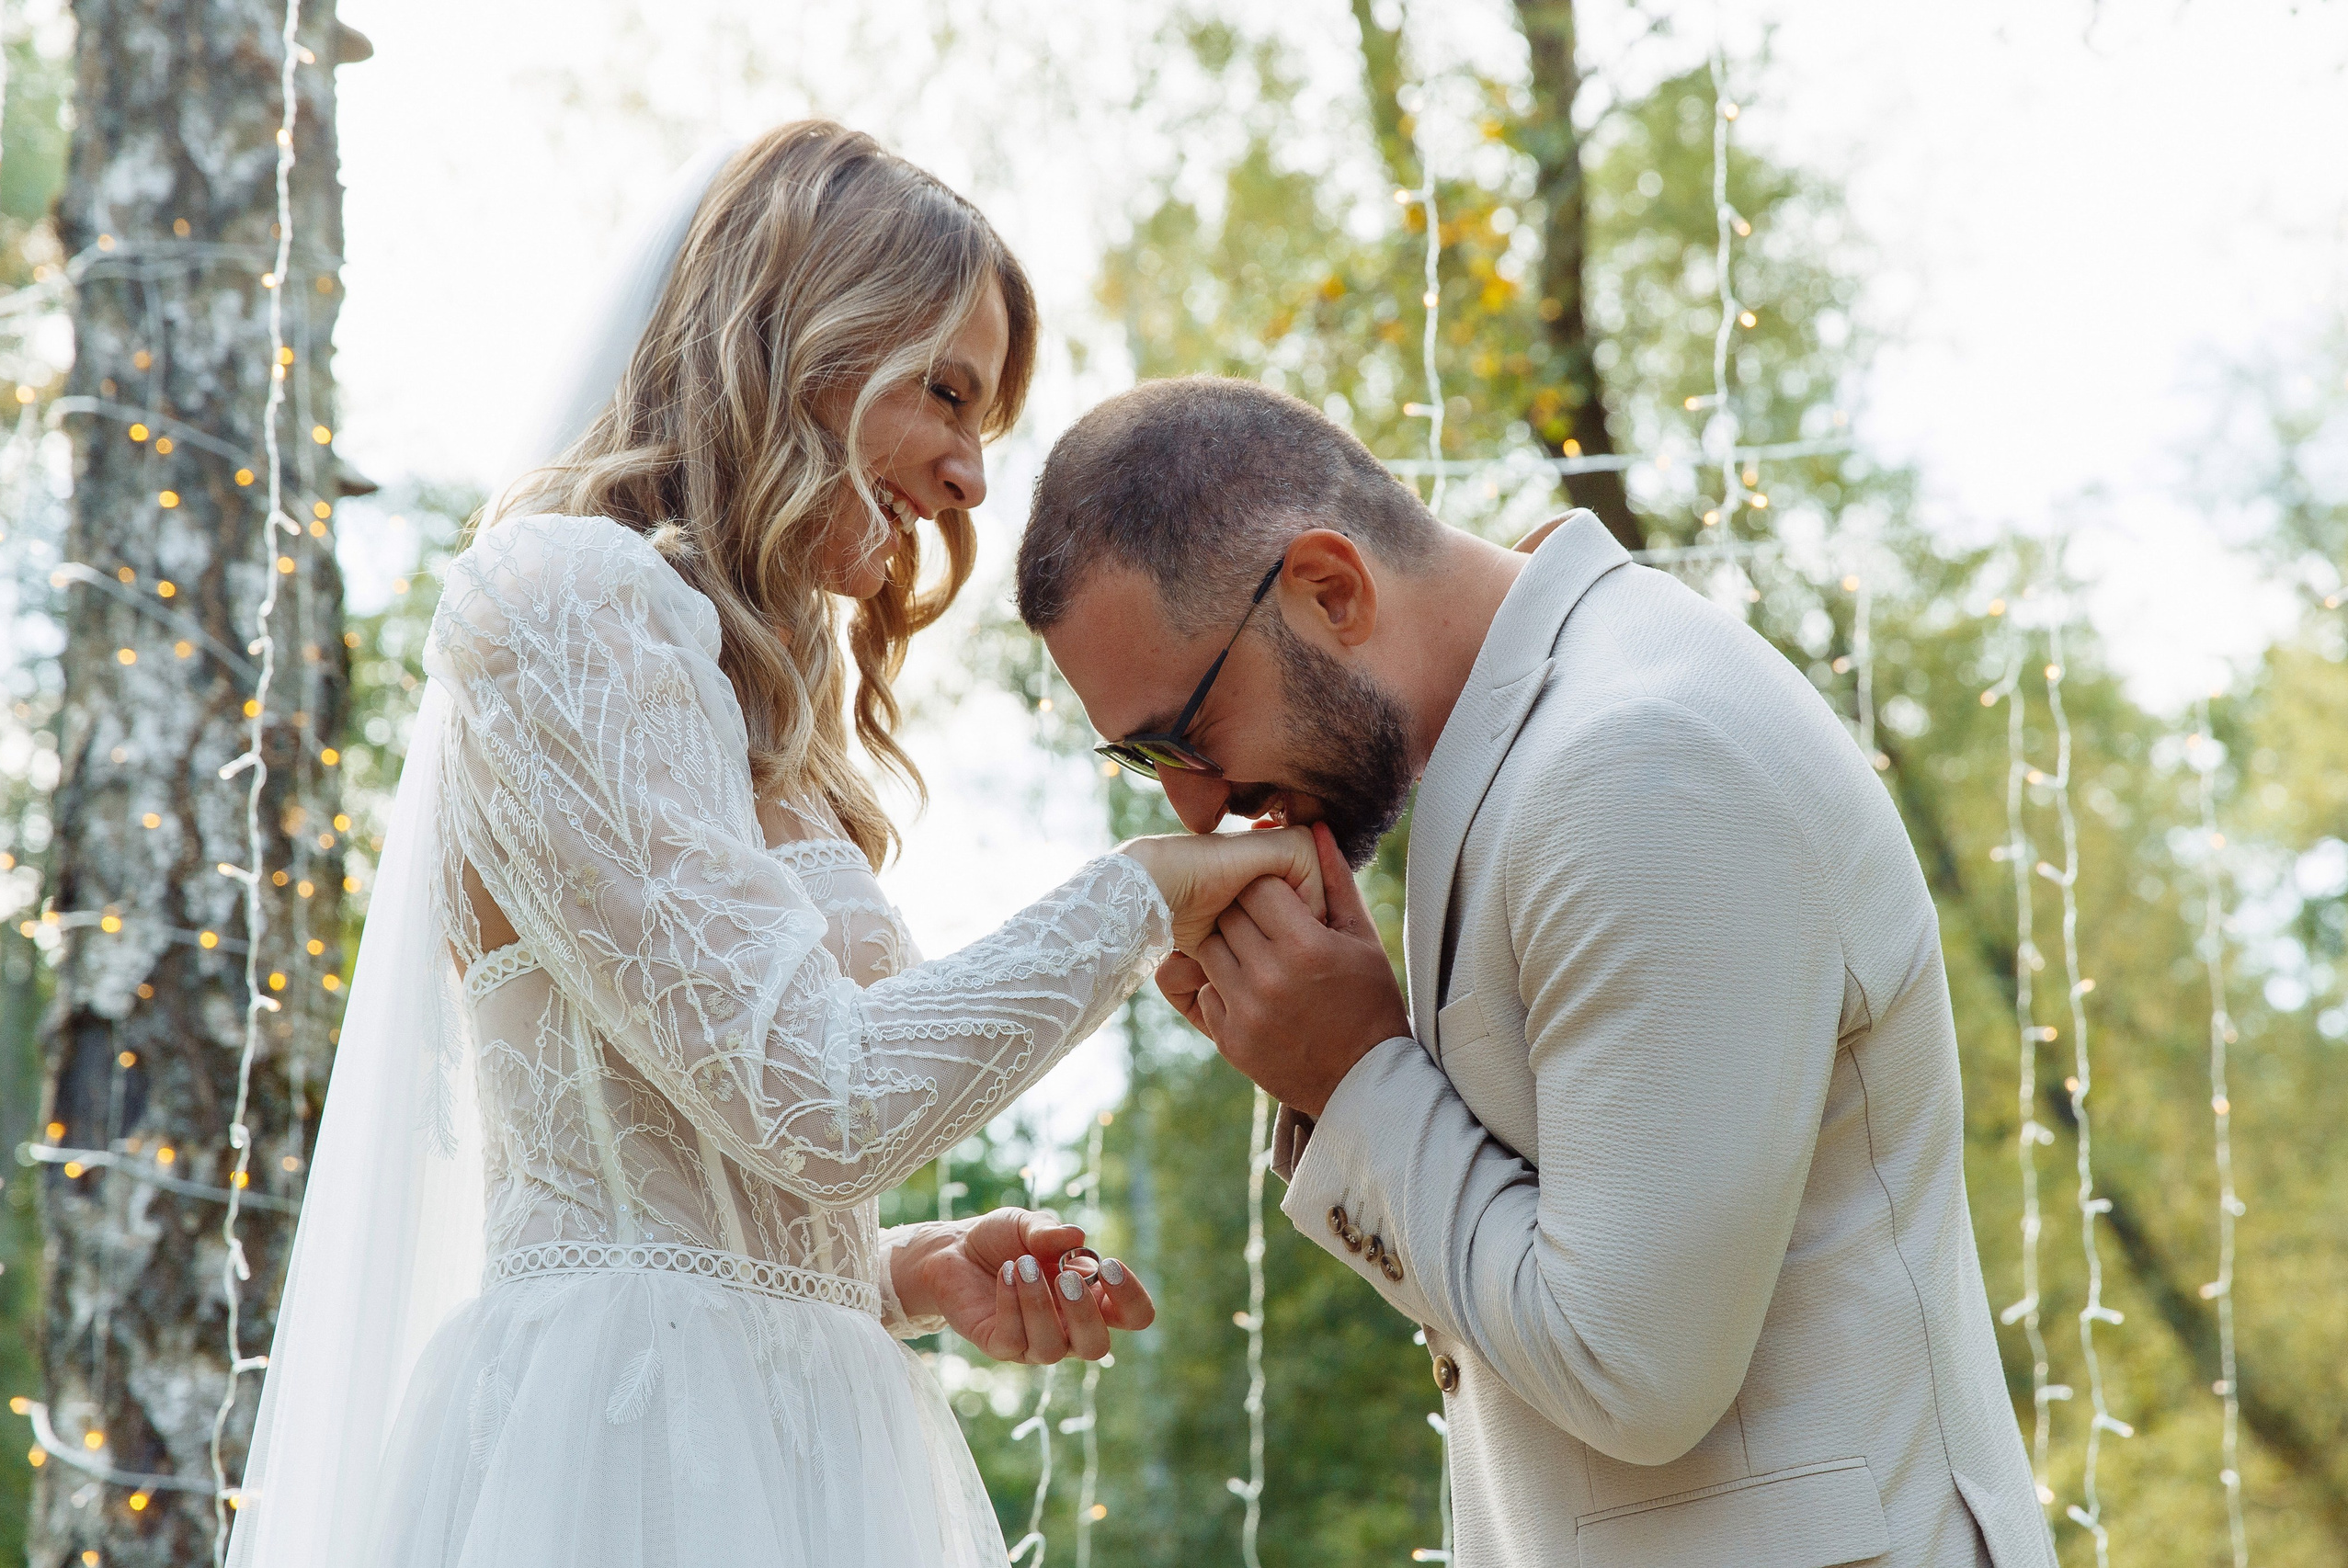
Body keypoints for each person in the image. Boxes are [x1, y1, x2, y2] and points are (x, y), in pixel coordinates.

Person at [226, 129, 1323, 1568]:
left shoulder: (760, 710)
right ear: (796, 335)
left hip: (802, 1429)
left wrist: (897, 1274)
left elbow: (728, 1157)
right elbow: (820, 1097)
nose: (972, 478)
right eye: (946, 390)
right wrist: (1142, 895)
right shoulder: (567, 601)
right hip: (622, 1458)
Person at [1017, 375, 2060, 1568]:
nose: (1191, 801)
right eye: (1135, 757)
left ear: (1329, 588)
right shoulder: (1533, 743)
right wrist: (1341, 1074)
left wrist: (1358, 1076)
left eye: (1181, 734)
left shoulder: (1637, 764)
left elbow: (1633, 1371)